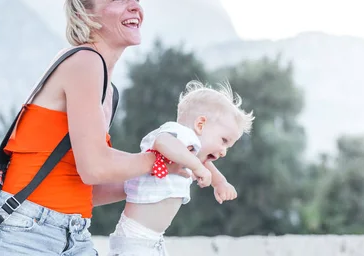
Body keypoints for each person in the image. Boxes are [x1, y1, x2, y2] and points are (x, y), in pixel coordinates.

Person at [0, 0, 187, 255]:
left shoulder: (108, 91)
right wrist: (159, 161)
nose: (134, 6)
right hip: (25, 234)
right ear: (85, 14)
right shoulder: (85, 62)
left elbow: (86, 186)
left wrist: (166, 174)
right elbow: (95, 167)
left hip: (72, 233)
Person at [107, 80, 255, 256]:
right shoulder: (180, 134)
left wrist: (220, 183)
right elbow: (162, 142)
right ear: (200, 124)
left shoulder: (192, 154)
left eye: (228, 147)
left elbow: (207, 167)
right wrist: (197, 168)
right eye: (224, 141)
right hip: (135, 239)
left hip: (152, 241)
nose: (224, 151)